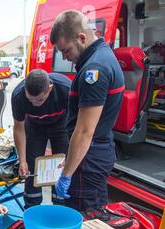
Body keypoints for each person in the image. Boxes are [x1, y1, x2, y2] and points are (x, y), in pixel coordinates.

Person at [50, 10, 124, 212]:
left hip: (89, 159)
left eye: (66, 51)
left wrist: (66, 174)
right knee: (98, 212)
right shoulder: (103, 55)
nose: (65, 58)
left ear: (81, 38)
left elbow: (84, 131)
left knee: (84, 218)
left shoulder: (95, 69)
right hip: (96, 152)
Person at [12, 69, 71, 208]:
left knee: (61, 166)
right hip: (34, 127)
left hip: (62, 126)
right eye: (29, 99)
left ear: (50, 88)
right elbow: (18, 128)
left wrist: (70, 157)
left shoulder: (66, 89)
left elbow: (77, 124)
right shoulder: (18, 95)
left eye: (39, 99)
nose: (33, 104)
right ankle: (31, 208)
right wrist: (22, 161)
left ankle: (60, 205)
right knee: (31, 167)